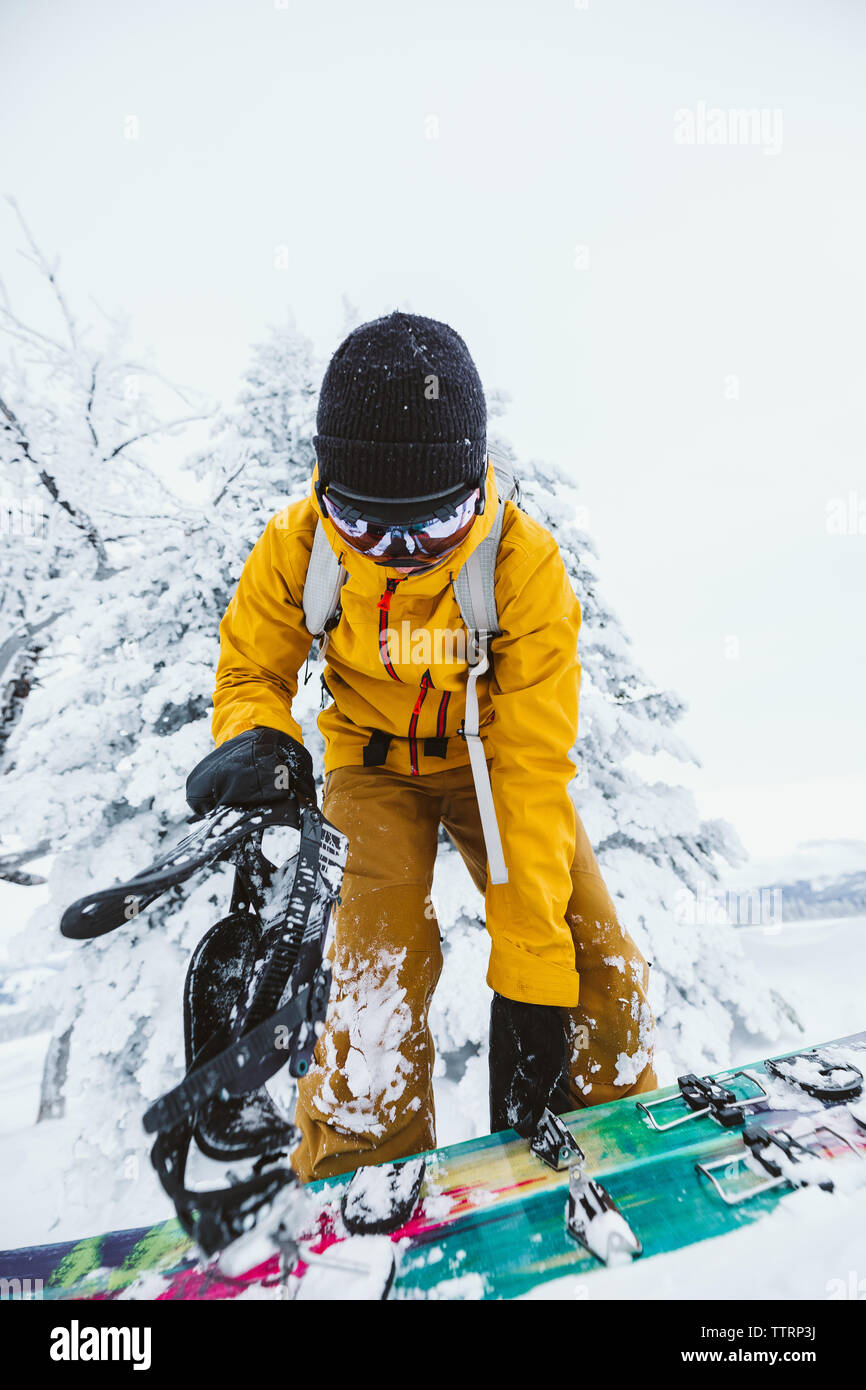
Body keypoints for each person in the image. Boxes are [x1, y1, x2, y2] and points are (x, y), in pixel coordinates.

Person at [186, 311, 657, 1184]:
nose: (400, 560)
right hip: (371, 771)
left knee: (593, 963)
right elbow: (252, 669)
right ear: (329, 496)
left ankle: (607, 1130)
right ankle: (363, 1169)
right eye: (370, 533)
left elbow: (529, 766)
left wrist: (531, 978)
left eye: (431, 534)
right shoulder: (298, 550)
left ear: (476, 493)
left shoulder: (523, 567)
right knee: (370, 979)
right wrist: (258, 736)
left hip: (491, 762)